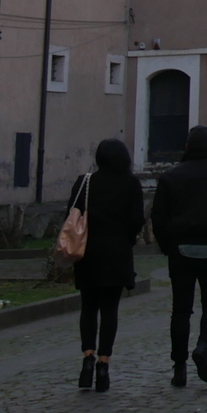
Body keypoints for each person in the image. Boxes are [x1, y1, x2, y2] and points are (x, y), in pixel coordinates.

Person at [150, 124, 207, 387]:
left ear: (187, 147)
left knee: (181, 310)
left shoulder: (171, 176)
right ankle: (204, 346)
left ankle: (179, 367)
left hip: (180, 249)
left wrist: (167, 246)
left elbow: (158, 216)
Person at [70, 138, 146, 392]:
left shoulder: (85, 182)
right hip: (117, 254)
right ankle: (104, 363)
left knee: (88, 307)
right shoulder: (131, 184)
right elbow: (137, 220)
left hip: (88, 253)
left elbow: (71, 212)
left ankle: (87, 358)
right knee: (110, 310)